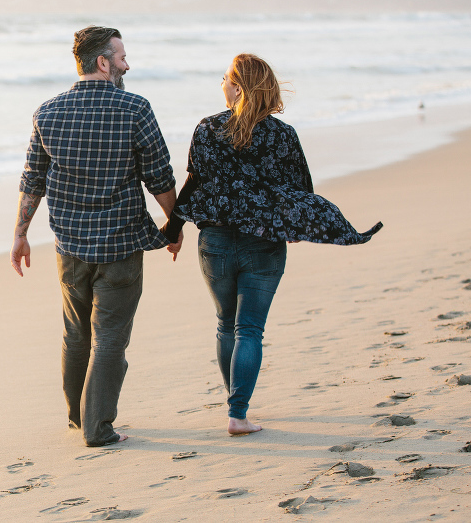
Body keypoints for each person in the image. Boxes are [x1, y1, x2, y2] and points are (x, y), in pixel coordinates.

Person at [164, 53, 382, 436]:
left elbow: (194, 184)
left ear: (238, 87)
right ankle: (238, 413)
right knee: (249, 328)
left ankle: (237, 403)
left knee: (225, 324)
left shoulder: (207, 128)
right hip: (264, 242)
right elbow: (302, 190)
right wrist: (298, 223)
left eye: (226, 79)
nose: (221, 84)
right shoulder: (283, 134)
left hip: (214, 240)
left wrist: (173, 229)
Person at [10, 25, 180, 447]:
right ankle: (98, 428)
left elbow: (33, 180)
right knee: (110, 336)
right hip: (121, 243)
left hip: (69, 245)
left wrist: (20, 234)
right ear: (102, 61)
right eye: (121, 56)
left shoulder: (46, 113)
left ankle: (77, 416)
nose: (127, 63)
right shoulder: (135, 109)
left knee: (75, 331)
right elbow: (159, 176)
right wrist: (173, 226)